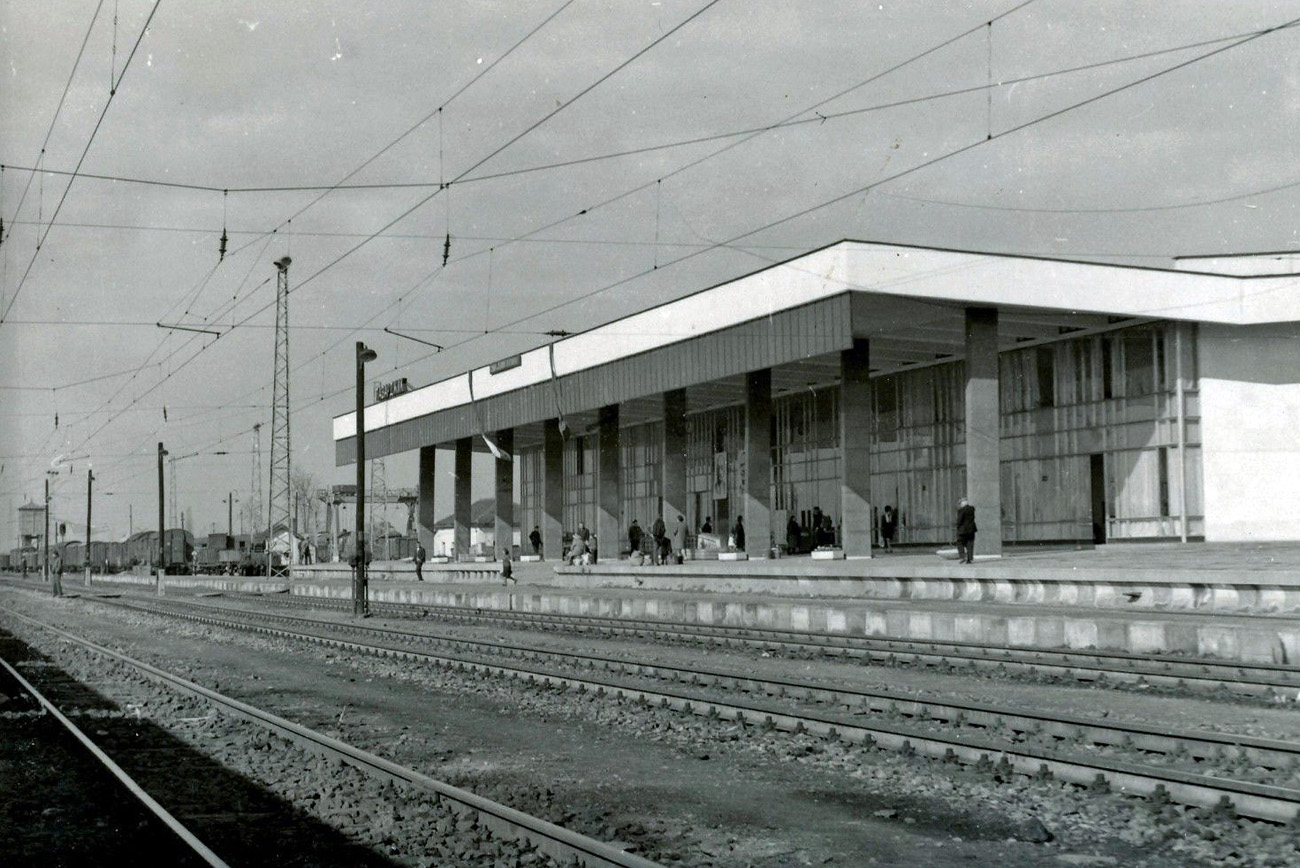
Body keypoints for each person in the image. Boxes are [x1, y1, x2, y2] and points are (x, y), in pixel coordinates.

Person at [955, 497, 977, 564]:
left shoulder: (961, 510)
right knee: (970, 544)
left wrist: (957, 527)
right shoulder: (972, 509)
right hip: (971, 530)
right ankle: (969, 559)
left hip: (962, 530)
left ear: (962, 503)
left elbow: (959, 520)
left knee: (960, 543)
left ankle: (963, 556)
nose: (960, 505)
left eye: (960, 503)